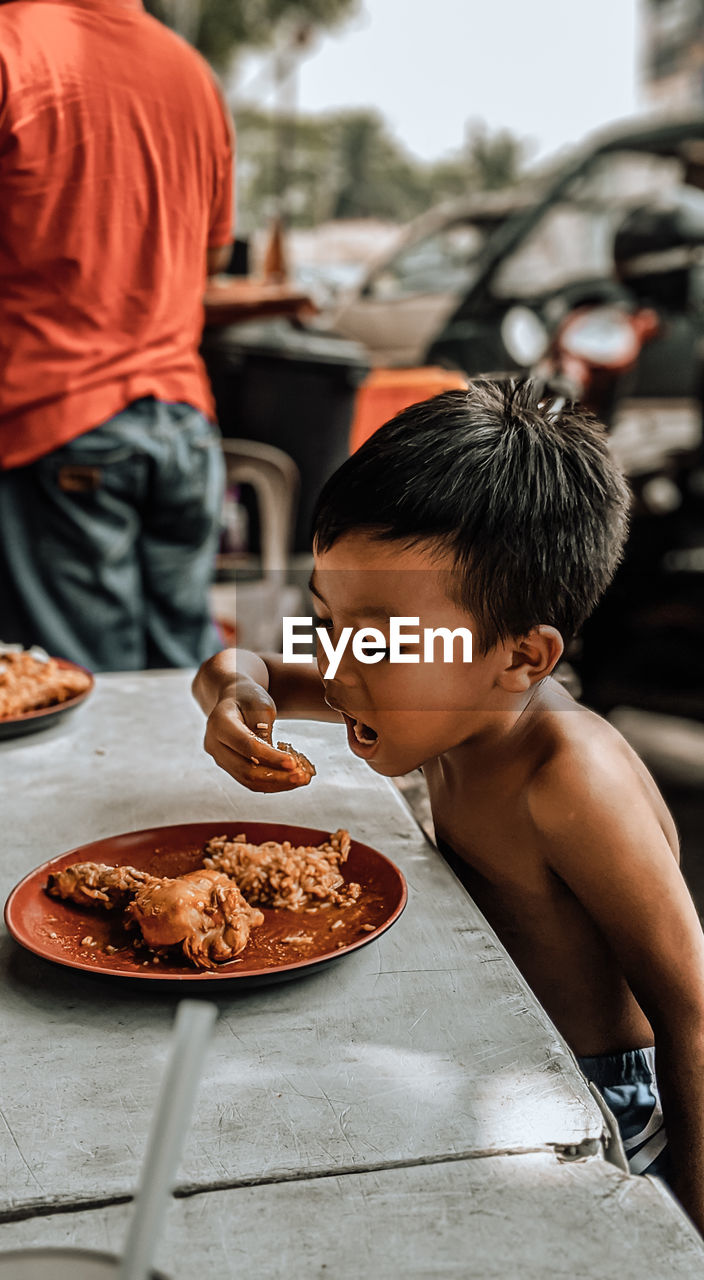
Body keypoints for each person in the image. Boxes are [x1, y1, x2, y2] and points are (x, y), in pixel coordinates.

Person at [193, 379, 704, 1233]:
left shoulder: (568, 779)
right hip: (496, 1052)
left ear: (522, 657)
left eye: (383, 641)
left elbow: (691, 1012)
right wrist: (230, 696)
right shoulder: (443, 697)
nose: (341, 669)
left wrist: (687, 1231)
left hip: (600, 1115)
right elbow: (250, 667)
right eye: (327, 622)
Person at [0, 0, 234, 670]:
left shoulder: (1, 45)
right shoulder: (191, 74)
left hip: (56, 425)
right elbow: (208, 258)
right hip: (184, 432)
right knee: (189, 690)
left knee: (79, 707)